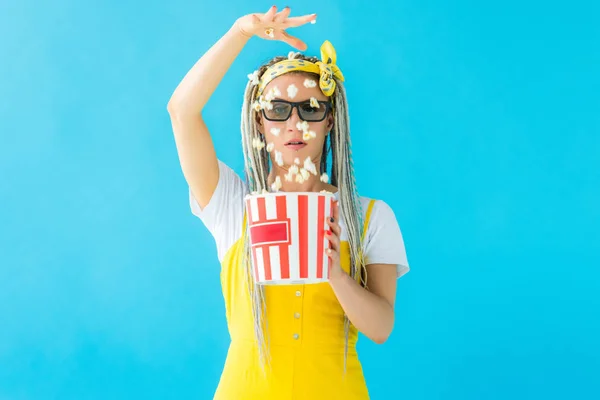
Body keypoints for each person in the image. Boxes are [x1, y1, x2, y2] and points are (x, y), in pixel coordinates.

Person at [167, 6, 410, 399]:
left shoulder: (369, 216)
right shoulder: (231, 203)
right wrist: (241, 31)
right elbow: (181, 112)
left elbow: (381, 327)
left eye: (310, 109)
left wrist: (335, 273)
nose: (294, 125)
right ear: (258, 120)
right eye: (277, 110)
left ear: (331, 119)